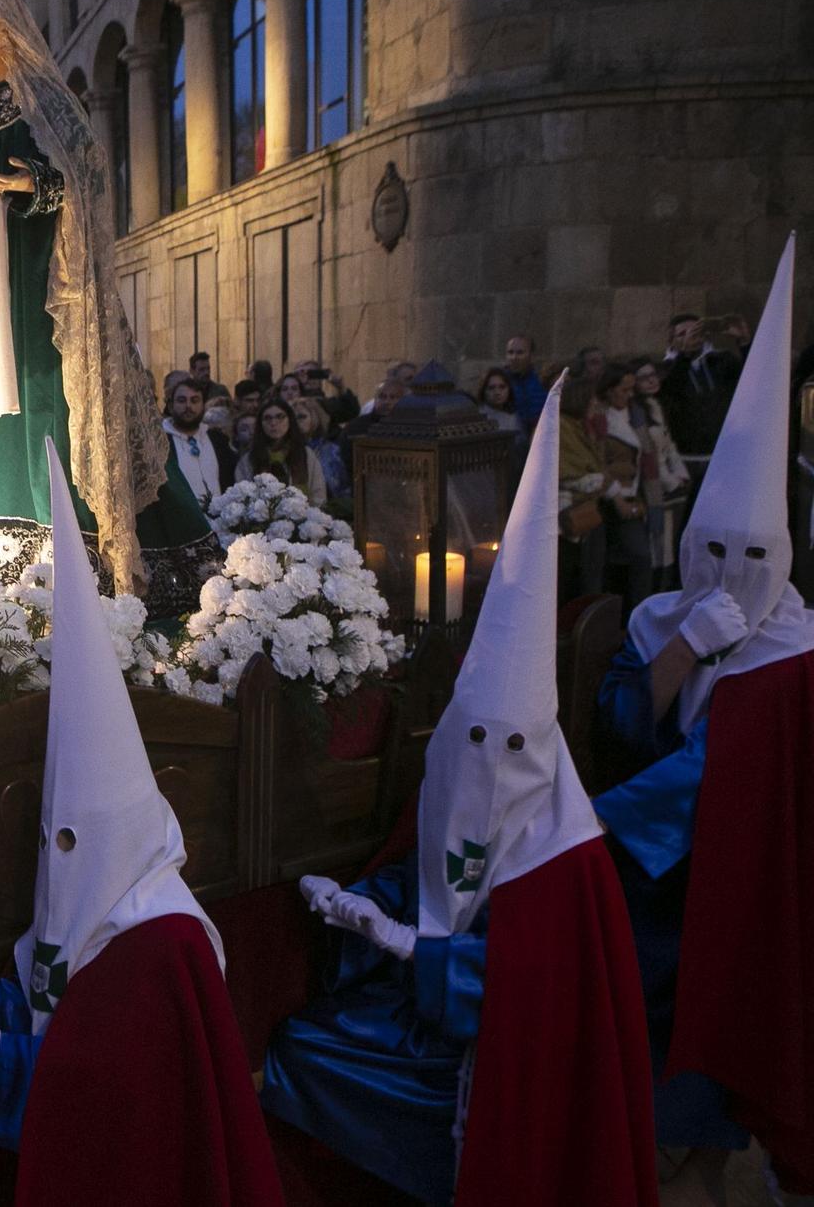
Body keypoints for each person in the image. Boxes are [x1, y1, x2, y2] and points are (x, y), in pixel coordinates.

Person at [264, 380, 657, 1206]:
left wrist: (412, 947)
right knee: (295, 1049)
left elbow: (534, 993)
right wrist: (358, 903)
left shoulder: (567, 856)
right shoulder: (455, 772)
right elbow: (421, 876)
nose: (490, 759)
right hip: (420, 1010)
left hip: (498, 1051)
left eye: (515, 747)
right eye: (475, 739)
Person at [0, 443, 283, 1206]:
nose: (61, 855)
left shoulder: (162, 940)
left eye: (76, 841)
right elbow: (56, 992)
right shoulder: (93, 894)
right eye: (56, 837)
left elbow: (103, 1076)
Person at [594, 241, 814, 1198]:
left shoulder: (800, 654)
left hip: (753, 870)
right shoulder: (654, 617)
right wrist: (684, 651)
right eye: (710, 545)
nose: (727, 566)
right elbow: (621, 733)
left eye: (750, 551)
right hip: (661, 867)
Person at [0, 0, 217, 612]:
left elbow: (88, 177)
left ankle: (77, 560)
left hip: (37, 293)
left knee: (43, 401)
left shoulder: (46, 103)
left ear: (8, 29)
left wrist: (39, 186)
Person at [660, 312, 747, 482]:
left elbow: (754, 379)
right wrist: (684, 354)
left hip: (724, 452)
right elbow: (671, 389)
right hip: (686, 457)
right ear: (671, 341)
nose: (690, 337)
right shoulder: (665, 369)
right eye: (682, 334)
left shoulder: (723, 360)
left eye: (695, 331)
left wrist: (743, 342)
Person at [596, 367, 653, 614]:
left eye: (631, 389)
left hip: (634, 494)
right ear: (610, 391)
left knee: (633, 559)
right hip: (613, 496)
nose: (629, 395)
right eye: (624, 390)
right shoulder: (601, 419)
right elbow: (597, 461)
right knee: (636, 557)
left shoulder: (636, 416)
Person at [630, 357, 689, 589]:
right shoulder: (635, 412)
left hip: (672, 483)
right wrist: (670, 481)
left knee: (668, 546)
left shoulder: (655, 405)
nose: (652, 380)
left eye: (653, 374)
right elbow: (649, 454)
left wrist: (681, 474)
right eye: (644, 377)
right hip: (654, 487)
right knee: (658, 547)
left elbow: (668, 444)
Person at [557, 375, 611, 601]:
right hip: (567, 513)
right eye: (591, 401)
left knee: (590, 573)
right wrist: (600, 480)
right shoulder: (561, 426)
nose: (595, 405)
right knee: (568, 576)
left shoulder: (582, 427)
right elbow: (566, 470)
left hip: (589, 508)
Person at [235, 396, 327, 505]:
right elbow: (241, 497)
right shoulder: (249, 459)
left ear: (290, 420)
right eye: (268, 418)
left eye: (280, 417)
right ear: (260, 424)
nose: (273, 423)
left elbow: (319, 494)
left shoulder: (306, 454)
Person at [163, 378, 235, 505]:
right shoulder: (161, 443)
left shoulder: (217, 439)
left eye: (194, 400)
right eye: (181, 400)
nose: (188, 406)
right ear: (170, 406)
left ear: (203, 405)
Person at [293, 398, 350, 506]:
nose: (296, 422)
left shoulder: (331, 450)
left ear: (315, 417)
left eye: (302, 417)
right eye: (293, 418)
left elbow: (341, 488)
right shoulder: (288, 450)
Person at [504, 334, 546, 429]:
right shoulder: (500, 382)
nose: (514, 357)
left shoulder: (542, 381)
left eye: (520, 353)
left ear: (531, 356)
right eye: (510, 352)